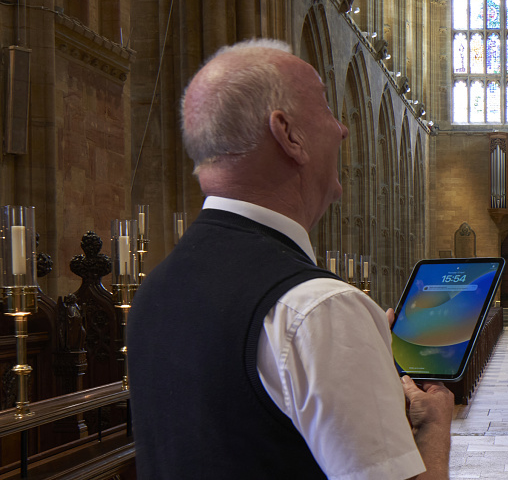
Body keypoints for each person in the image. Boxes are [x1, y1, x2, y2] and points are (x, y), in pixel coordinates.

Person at [127, 39, 452, 479]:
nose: (342, 130)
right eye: (326, 109)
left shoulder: (157, 288)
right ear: (289, 134)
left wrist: (361, 363)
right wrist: (433, 426)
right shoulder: (320, 309)